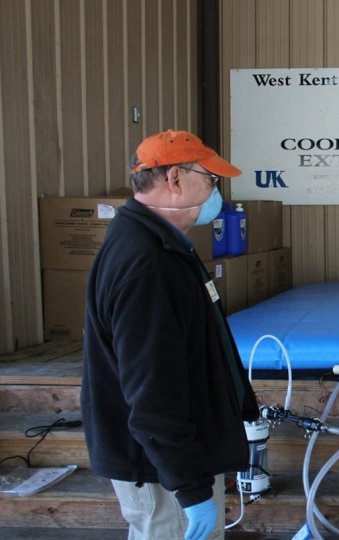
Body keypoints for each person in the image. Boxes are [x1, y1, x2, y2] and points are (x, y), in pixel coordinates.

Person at [81, 130, 260, 540]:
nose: (216, 191)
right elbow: (151, 389)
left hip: (173, 461)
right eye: (211, 179)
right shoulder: (148, 264)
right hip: (164, 474)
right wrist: (189, 485)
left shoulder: (159, 245)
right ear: (175, 178)